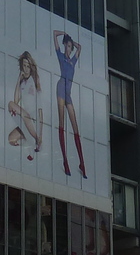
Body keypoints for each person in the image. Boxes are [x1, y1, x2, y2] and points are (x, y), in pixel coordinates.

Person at [51, 30, 86, 177]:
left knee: (75, 126)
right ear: (65, 46)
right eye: (67, 46)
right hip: (60, 89)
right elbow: (54, 34)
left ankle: (82, 163)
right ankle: (65, 161)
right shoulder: (60, 56)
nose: (69, 48)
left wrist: (72, 41)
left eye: (70, 47)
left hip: (68, 93)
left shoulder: (73, 61)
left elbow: (81, 48)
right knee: (62, 124)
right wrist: (64, 34)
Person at [5, 51, 44, 160]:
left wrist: (40, 133)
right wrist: (19, 79)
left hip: (33, 118)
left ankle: (35, 140)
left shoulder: (35, 80)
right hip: (24, 118)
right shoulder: (22, 81)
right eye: (24, 66)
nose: (26, 69)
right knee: (11, 139)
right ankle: (30, 140)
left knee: (11, 105)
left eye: (28, 66)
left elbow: (40, 107)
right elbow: (16, 101)